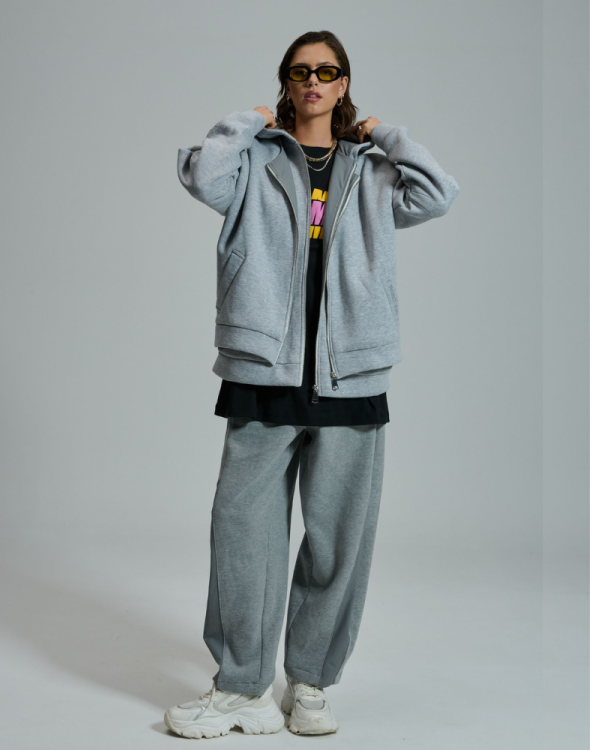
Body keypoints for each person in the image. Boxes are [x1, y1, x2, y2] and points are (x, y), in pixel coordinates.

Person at [166, 30, 460, 739]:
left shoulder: (372, 169)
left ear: (343, 82)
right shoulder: (254, 161)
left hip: (350, 372)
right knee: (243, 536)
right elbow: (202, 175)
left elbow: (439, 193)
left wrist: (382, 131)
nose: (313, 81)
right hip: (264, 368)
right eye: (301, 71)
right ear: (286, 82)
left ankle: (310, 682)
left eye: (327, 71)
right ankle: (242, 687)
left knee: (337, 544)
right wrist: (249, 120)